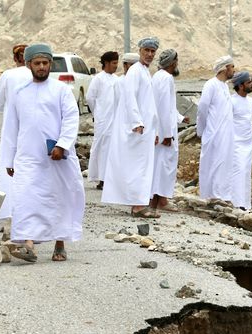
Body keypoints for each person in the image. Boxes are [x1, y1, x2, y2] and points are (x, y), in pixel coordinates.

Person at [0, 43, 85, 262]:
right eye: (37, 63)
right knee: (26, 198)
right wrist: (9, 160)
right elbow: (11, 128)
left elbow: (71, 119)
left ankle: (59, 243)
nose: (41, 67)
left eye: (45, 63)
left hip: (56, 157)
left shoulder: (61, 90)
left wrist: (62, 145)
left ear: (50, 64)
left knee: (59, 198)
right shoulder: (19, 93)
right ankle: (28, 245)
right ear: (28, 64)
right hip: (28, 157)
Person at [101, 37, 161, 218]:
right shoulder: (135, 71)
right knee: (137, 166)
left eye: (152, 51)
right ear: (140, 50)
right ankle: (137, 206)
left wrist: (155, 130)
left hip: (146, 129)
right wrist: (136, 122)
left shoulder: (144, 71)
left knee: (142, 166)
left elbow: (149, 104)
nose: (149, 54)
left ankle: (140, 203)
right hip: (138, 129)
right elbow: (129, 97)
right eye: (147, 51)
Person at [0, 44, 31, 219]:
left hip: (11, 128)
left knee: (9, 163)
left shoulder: (8, 75)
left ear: (15, 58)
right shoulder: (36, 74)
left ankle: (9, 211)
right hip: (31, 127)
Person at [150, 49, 188, 213]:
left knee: (159, 165)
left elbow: (168, 106)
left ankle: (157, 199)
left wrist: (179, 118)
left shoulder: (158, 76)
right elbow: (164, 107)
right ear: (173, 62)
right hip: (164, 130)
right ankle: (161, 201)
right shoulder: (166, 78)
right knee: (165, 165)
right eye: (176, 61)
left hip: (161, 128)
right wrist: (167, 134)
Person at [197, 55, 236, 203]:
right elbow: (202, 108)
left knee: (224, 163)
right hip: (214, 133)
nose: (234, 70)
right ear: (225, 68)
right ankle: (213, 196)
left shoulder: (225, 86)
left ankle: (222, 195)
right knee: (214, 163)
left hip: (225, 134)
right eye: (232, 67)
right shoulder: (211, 84)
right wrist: (204, 129)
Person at [86, 51, 119, 190]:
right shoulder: (98, 79)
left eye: (117, 63)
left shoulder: (117, 79)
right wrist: (96, 113)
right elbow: (89, 98)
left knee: (112, 148)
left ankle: (110, 179)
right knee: (101, 149)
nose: (116, 66)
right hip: (102, 120)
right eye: (114, 63)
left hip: (114, 120)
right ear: (106, 63)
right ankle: (101, 179)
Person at [230, 71, 252, 210]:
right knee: (238, 171)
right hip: (236, 142)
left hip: (248, 142)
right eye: (249, 82)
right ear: (240, 86)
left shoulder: (250, 101)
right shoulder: (232, 101)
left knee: (246, 172)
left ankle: (246, 205)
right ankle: (236, 203)